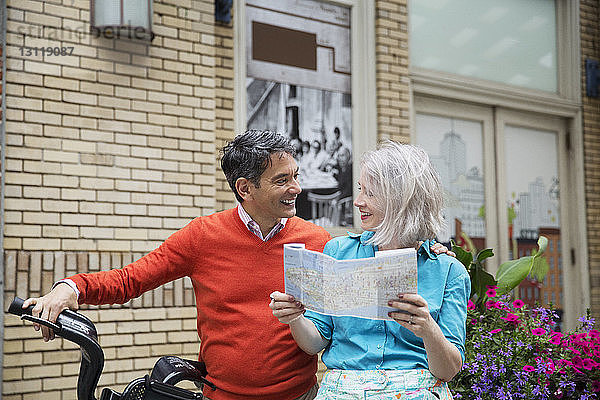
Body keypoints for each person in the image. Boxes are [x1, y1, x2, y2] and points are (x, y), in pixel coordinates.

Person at [22, 130, 334, 400]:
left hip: (301, 395)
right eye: (282, 180)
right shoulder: (203, 236)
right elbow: (131, 279)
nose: (297, 188)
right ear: (245, 189)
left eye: (295, 176)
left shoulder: (317, 240)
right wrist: (70, 288)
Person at [270, 141, 470, 399]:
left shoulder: (448, 271)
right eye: (360, 189)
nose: (358, 202)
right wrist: (294, 317)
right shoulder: (337, 253)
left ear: (401, 200)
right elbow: (314, 344)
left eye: (370, 194)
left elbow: (448, 371)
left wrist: (427, 328)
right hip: (343, 391)